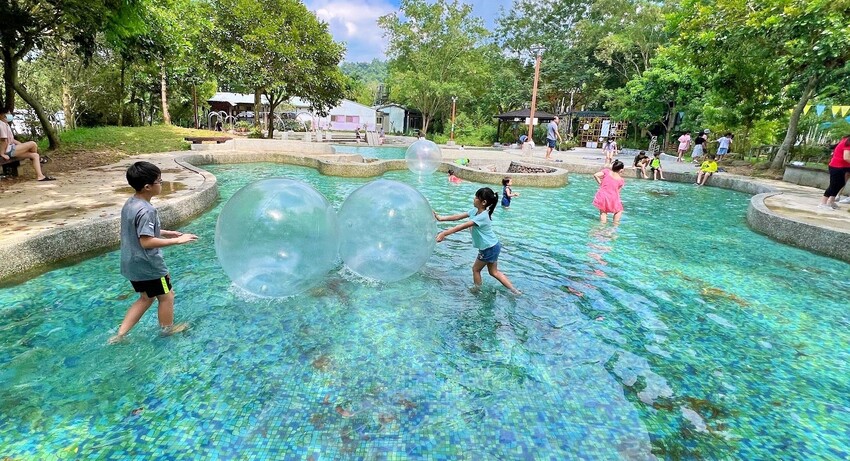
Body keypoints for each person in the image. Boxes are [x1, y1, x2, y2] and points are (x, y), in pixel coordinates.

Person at [109, 161, 198, 344]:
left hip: (131, 263)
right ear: (148, 186)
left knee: (146, 298)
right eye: (159, 181)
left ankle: (119, 335)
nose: (162, 184)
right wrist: (176, 240)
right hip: (149, 265)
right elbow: (146, 241)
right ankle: (167, 329)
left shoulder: (131, 203)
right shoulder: (147, 210)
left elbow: (139, 230)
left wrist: (165, 232)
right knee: (167, 295)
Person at [434, 187, 521, 295]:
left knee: (476, 269)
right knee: (494, 272)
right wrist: (441, 218)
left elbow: (462, 226)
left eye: (476, 197)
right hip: (493, 246)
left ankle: (477, 290)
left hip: (489, 248)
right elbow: (458, 217)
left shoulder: (482, 217)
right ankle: (515, 291)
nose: (474, 199)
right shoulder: (475, 211)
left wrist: (444, 233)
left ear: (483, 202)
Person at [0, 111, 54, 181]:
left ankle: (40, 176)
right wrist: (2, 153)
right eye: (8, 113)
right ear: (1, 115)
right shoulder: (1, 124)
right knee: (33, 144)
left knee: (35, 155)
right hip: (7, 151)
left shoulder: (5, 124)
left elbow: (12, 140)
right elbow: (3, 140)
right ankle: (40, 160)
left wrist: (22, 146)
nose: (10, 115)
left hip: (11, 149)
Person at [819, 134, 850, 210]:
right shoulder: (848, 141)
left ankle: (831, 202)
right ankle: (822, 203)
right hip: (837, 166)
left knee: (840, 184)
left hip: (843, 166)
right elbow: (846, 157)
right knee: (833, 185)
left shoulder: (846, 139)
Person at [592, 160, 625, 224]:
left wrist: (600, 183)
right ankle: (615, 225)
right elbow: (618, 192)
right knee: (619, 210)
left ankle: (602, 226)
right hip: (613, 197)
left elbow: (595, 175)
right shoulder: (621, 180)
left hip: (602, 195)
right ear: (621, 170)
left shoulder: (606, 171)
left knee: (603, 213)